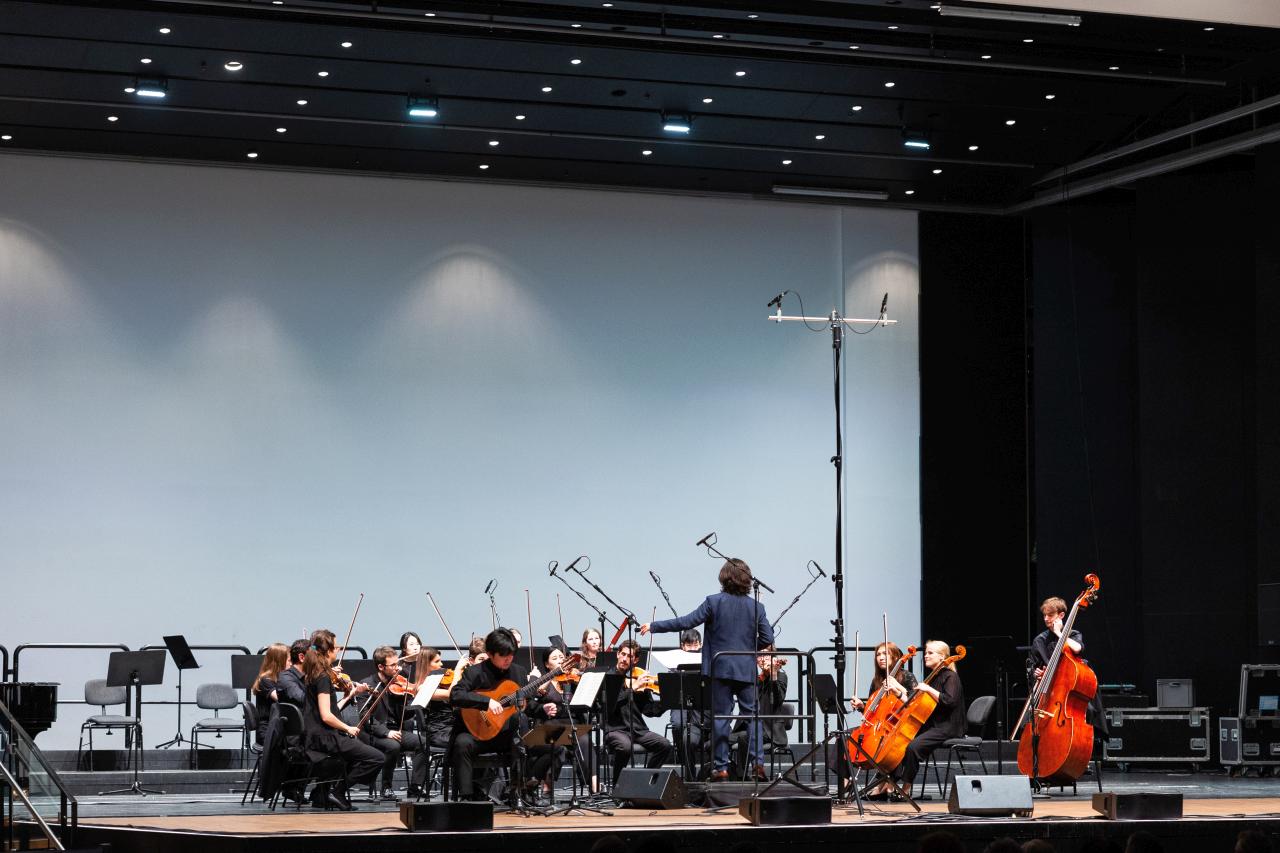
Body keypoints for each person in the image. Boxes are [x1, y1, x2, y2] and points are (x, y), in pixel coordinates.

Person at [641, 557, 774, 782]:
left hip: (720, 669)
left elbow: (686, 622)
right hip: (745, 669)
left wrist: (654, 626)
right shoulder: (756, 606)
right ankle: (758, 766)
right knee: (753, 717)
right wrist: (747, 649)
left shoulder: (713, 602)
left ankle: (721, 768)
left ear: (724, 577)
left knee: (721, 718)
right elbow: (768, 638)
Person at [300, 630, 383, 810]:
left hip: (315, 735)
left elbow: (328, 709)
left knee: (353, 756)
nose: (338, 650)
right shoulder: (323, 677)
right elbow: (326, 715)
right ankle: (337, 792)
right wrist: (347, 728)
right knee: (376, 758)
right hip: (325, 737)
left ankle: (321, 795)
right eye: (336, 647)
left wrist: (348, 695)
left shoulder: (314, 673)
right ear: (328, 650)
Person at [448, 628, 530, 801]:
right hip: (478, 734)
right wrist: (486, 702)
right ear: (490, 654)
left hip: (506, 736)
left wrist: (543, 709)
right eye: (503, 655)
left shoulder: (519, 672)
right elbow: (456, 695)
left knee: (526, 729)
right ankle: (467, 798)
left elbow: (527, 705)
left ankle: (519, 793)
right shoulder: (474, 672)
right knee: (462, 743)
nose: (508, 659)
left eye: (511, 655)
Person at [358, 645, 428, 801]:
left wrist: (413, 700)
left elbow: (406, 715)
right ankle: (386, 787)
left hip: (395, 730)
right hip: (373, 733)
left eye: (398, 664)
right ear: (381, 667)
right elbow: (366, 717)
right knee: (393, 746)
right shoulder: (367, 685)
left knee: (423, 743)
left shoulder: (399, 683)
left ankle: (415, 787)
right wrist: (386, 732)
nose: (398, 668)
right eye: (393, 665)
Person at [896, 640, 964, 798]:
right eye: (926, 652)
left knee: (913, 747)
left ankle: (905, 790)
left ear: (942, 657)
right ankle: (889, 784)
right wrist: (899, 692)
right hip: (933, 725)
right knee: (899, 743)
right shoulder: (934, 677)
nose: (925, 655)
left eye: (930, 653)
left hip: (947, 727)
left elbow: (950, 700)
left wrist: (927, 689)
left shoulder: (951, 676)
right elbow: (916, 702)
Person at [600, 639, 672, 785]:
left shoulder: (638, 678)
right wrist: (632, 688)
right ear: (618, 654)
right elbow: (609, 705)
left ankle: (645, 781)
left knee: (665, 745)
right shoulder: (608, 677)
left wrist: (668, 700)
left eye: (630, 656)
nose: (625, 659)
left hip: (637, 730)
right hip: (615, 729)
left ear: (636, 660)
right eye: (623, 654)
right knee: (625, 747)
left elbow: (650, 711)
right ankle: (617, 785)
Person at [670, 629, 707, 776]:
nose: (692, 648)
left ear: (700, 644)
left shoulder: (706, 661)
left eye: (695, 645)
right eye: (688, 645)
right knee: (677, 723)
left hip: (701, 705)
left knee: (691, 735)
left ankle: (701, 772)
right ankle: (686, 765)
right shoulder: (675, 662)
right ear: (682, 646)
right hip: (681, 703)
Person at [251, 643, 289, 744]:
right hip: (268, 731)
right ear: (279, 661)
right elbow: (282, 700)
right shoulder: (265, 680)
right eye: (289, 660)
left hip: (279, 727)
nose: (292, 663)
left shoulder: (281, 678)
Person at [277, 638, 310, 706]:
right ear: (302, 657)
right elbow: (303, 700)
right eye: (314, 656)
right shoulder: (286, 678)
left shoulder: (309, 676)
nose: (317, 660)